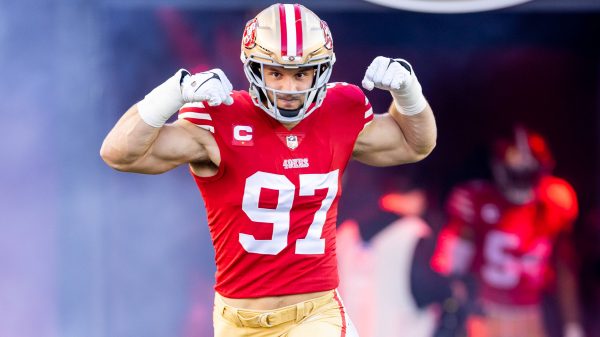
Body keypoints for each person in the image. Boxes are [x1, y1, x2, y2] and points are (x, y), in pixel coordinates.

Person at [100, 3, 437, 337]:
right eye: (276, 73)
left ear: (321, 71)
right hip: (238, 320)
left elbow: (414, 144)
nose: (288, 90)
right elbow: (119, 154)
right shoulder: (220, 118)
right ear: (254, 69)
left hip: (315, 315)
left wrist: (408, 93)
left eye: (301, 73)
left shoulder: (340, 111)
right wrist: (173, 92)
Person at [431, 126, 584, 337]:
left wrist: (573, 327)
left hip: (532, 313)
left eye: (528, 173)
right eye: (517, 174)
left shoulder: (554, 201)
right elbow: (451, 267)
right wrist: (453, 307)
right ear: (498, 167)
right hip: (484, 313)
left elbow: (565, 269)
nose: (523, 180)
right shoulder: (474, 200)